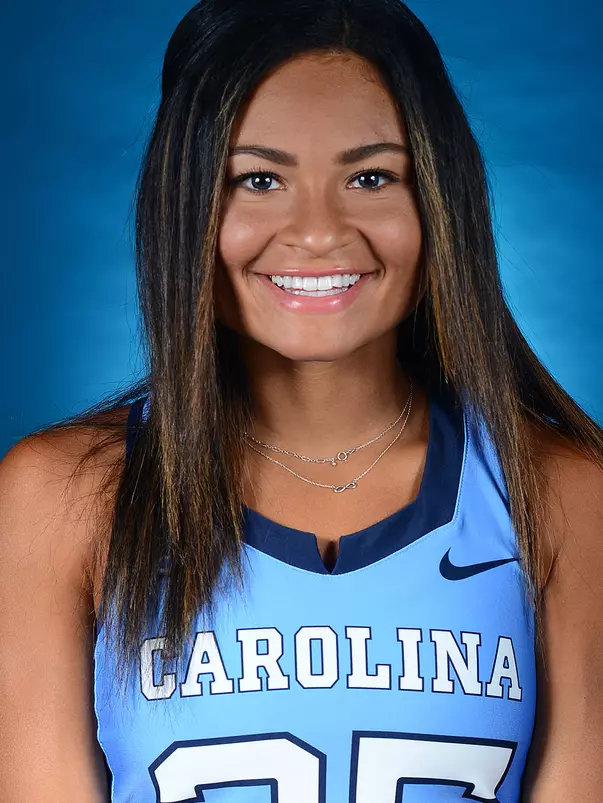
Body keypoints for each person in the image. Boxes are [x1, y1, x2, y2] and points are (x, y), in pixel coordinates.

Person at [1, 0, 603, 800]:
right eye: (257, 178)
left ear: (437, 203)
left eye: (369, 176)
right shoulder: (60, 499)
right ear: (183, 207)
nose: (317, 231)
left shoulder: (563, 497)